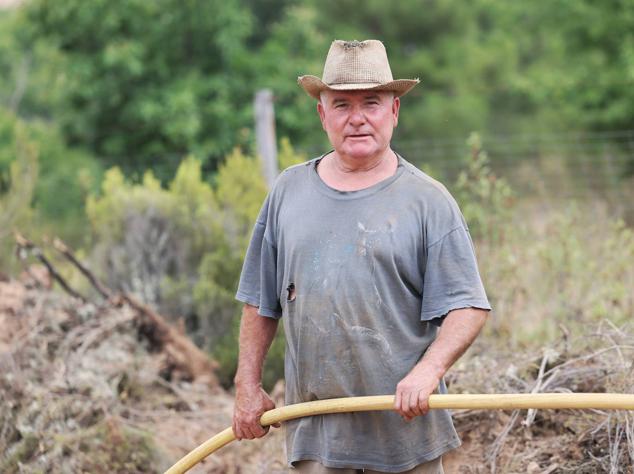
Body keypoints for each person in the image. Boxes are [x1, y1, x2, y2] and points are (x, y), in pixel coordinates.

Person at [232, 39, 491, 474]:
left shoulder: (428, 201)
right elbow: (260, 301)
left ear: (394, 111)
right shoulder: (287, 193)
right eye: (341, 105)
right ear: (321, 113)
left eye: (371, 103)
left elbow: (468, 306)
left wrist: (428, 372)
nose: (357, 119)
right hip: (317, 434)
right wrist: (247, 384)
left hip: (406, 436)